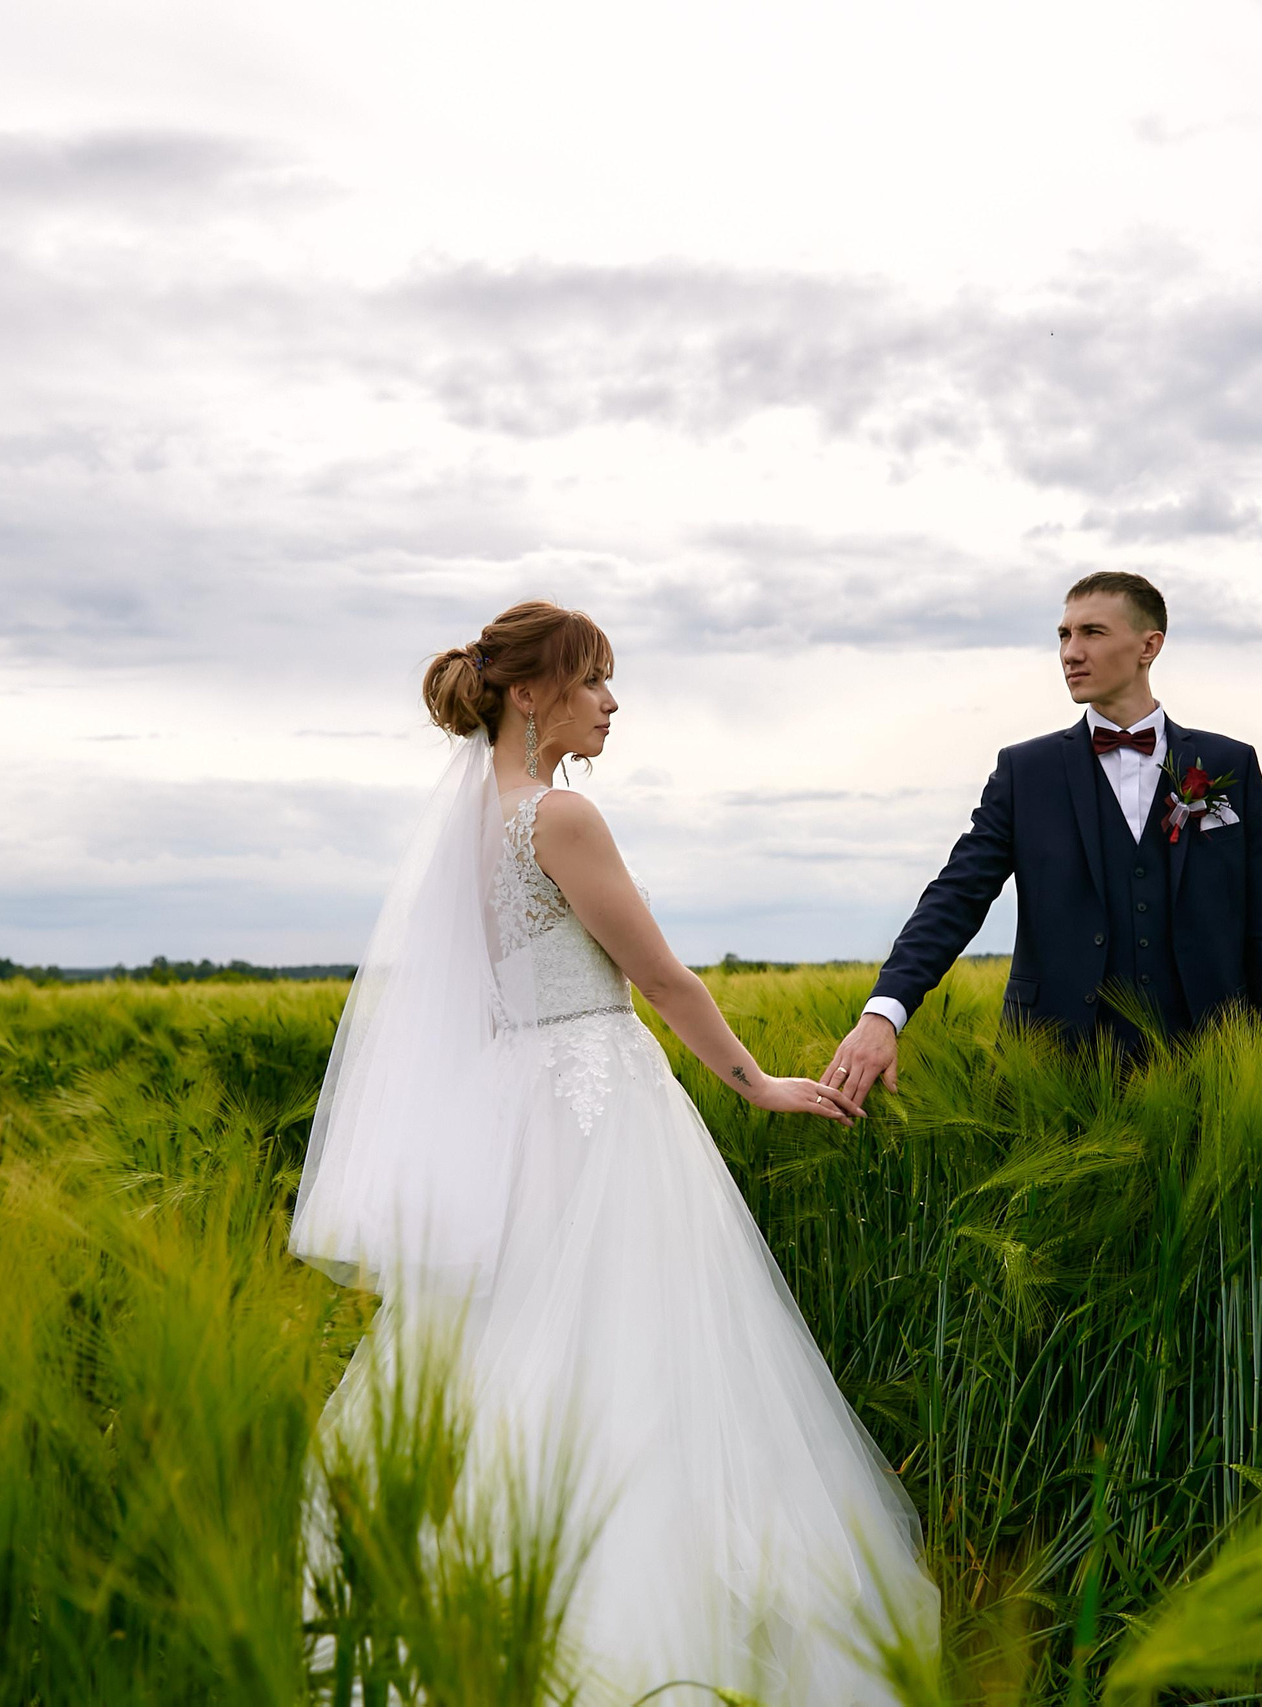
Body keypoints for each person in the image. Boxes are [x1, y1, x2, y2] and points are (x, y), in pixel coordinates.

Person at [292, 600, 935, 1701]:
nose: (611, 700)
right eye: (592, 679)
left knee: (515, 1353)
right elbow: (662, 976)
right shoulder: (558, 818)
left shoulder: (469, 827)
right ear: (529, 695)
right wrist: (758, 1083)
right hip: (599, 1112)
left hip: (516, 1115)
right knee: (644, 1351)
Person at [826, 571, 1262, 1102]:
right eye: (1063, 635)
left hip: (1210, 1063)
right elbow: (957, 894)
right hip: (1052, 1064)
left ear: (1149, 645)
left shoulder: (1229, 763)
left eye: (1092, 633)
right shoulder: (1025, 770)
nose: (1071, 652)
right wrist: (884, 1012)